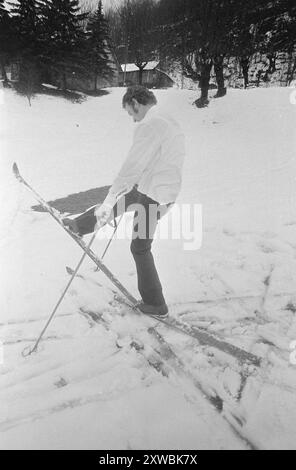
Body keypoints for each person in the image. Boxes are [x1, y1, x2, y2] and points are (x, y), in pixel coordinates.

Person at [64, 86, 185, 317]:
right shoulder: (167, 121)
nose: (132, 118)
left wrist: (110, 197)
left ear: (135, 103)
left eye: (131, 113)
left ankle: (156, 304)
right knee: (124, 201)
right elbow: (155, 161)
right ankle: (79, 225)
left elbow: (131, 167)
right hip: (159, 191)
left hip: (156, 195)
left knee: (140, 247)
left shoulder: (150, 125)